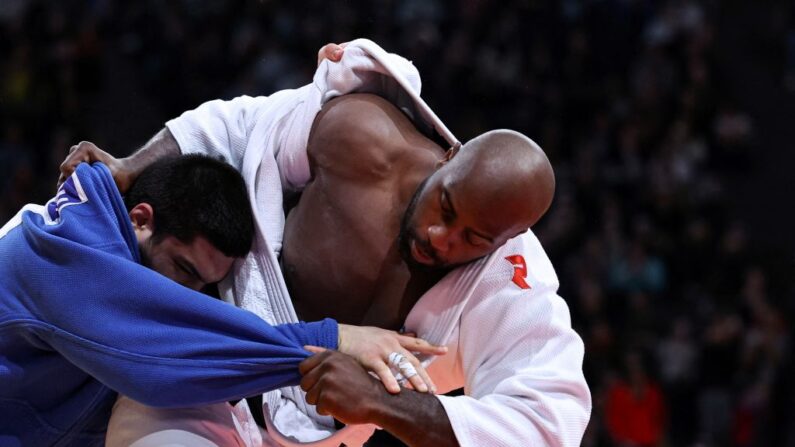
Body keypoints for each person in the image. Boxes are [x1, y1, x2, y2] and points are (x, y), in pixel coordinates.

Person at [61, 40, 591, 446]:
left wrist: (386, 408)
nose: (439, 237)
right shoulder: (365, 135)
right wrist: (132, 165)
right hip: (206, 376)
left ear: (507, 241)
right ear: (448, 158)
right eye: (445, 207)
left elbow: (548, 420)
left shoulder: (509, 281)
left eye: (471, 238)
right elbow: (239, 128)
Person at [0, 154, 441, 446]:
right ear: (141, 220)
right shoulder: (61, 252)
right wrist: (334, 338)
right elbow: (162, 355)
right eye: (185, 269)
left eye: (203, 286)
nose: (184, 297)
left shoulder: (103, 234)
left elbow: (239, 121)